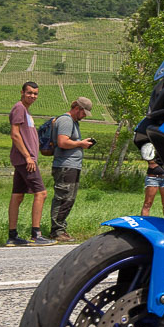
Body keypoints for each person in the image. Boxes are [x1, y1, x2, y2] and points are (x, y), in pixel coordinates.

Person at [7, 82, 55, 246]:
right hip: (25, 160)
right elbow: (15, 135)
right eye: (29, 93)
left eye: (35, 93)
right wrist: (28, 157)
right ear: (22, 92)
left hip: (23, 160)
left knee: (17, 196)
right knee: (41, 193)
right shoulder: (19, 108)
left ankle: (12, 236)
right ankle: (36, 234)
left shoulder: (25, 110)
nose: (32, 96)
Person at [49, 97, 96, 242]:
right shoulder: (66, 121)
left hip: (71, 165)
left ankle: (60, 228)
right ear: (78, 108)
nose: (84, 116)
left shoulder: (73, 122)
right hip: (65, 165)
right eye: (84, 113)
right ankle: (56, 231)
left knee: (69, 199)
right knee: (63, 198)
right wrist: (80, 143)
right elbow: (62, 142)